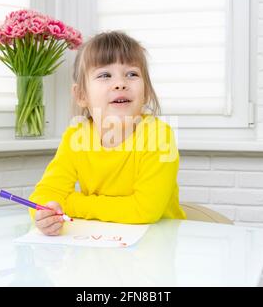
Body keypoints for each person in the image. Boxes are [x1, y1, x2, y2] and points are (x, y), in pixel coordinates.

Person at [29, 31, 186, 236]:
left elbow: (144, 210)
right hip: (100, 244)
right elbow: (43, 196)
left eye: (132, 74)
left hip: (155, 241)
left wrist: (71, 203)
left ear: (146, 91)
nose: (121, 83)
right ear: (81, 95)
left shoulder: (158, 135)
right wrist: (45, 215)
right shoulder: (77, 136)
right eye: (105, 75)